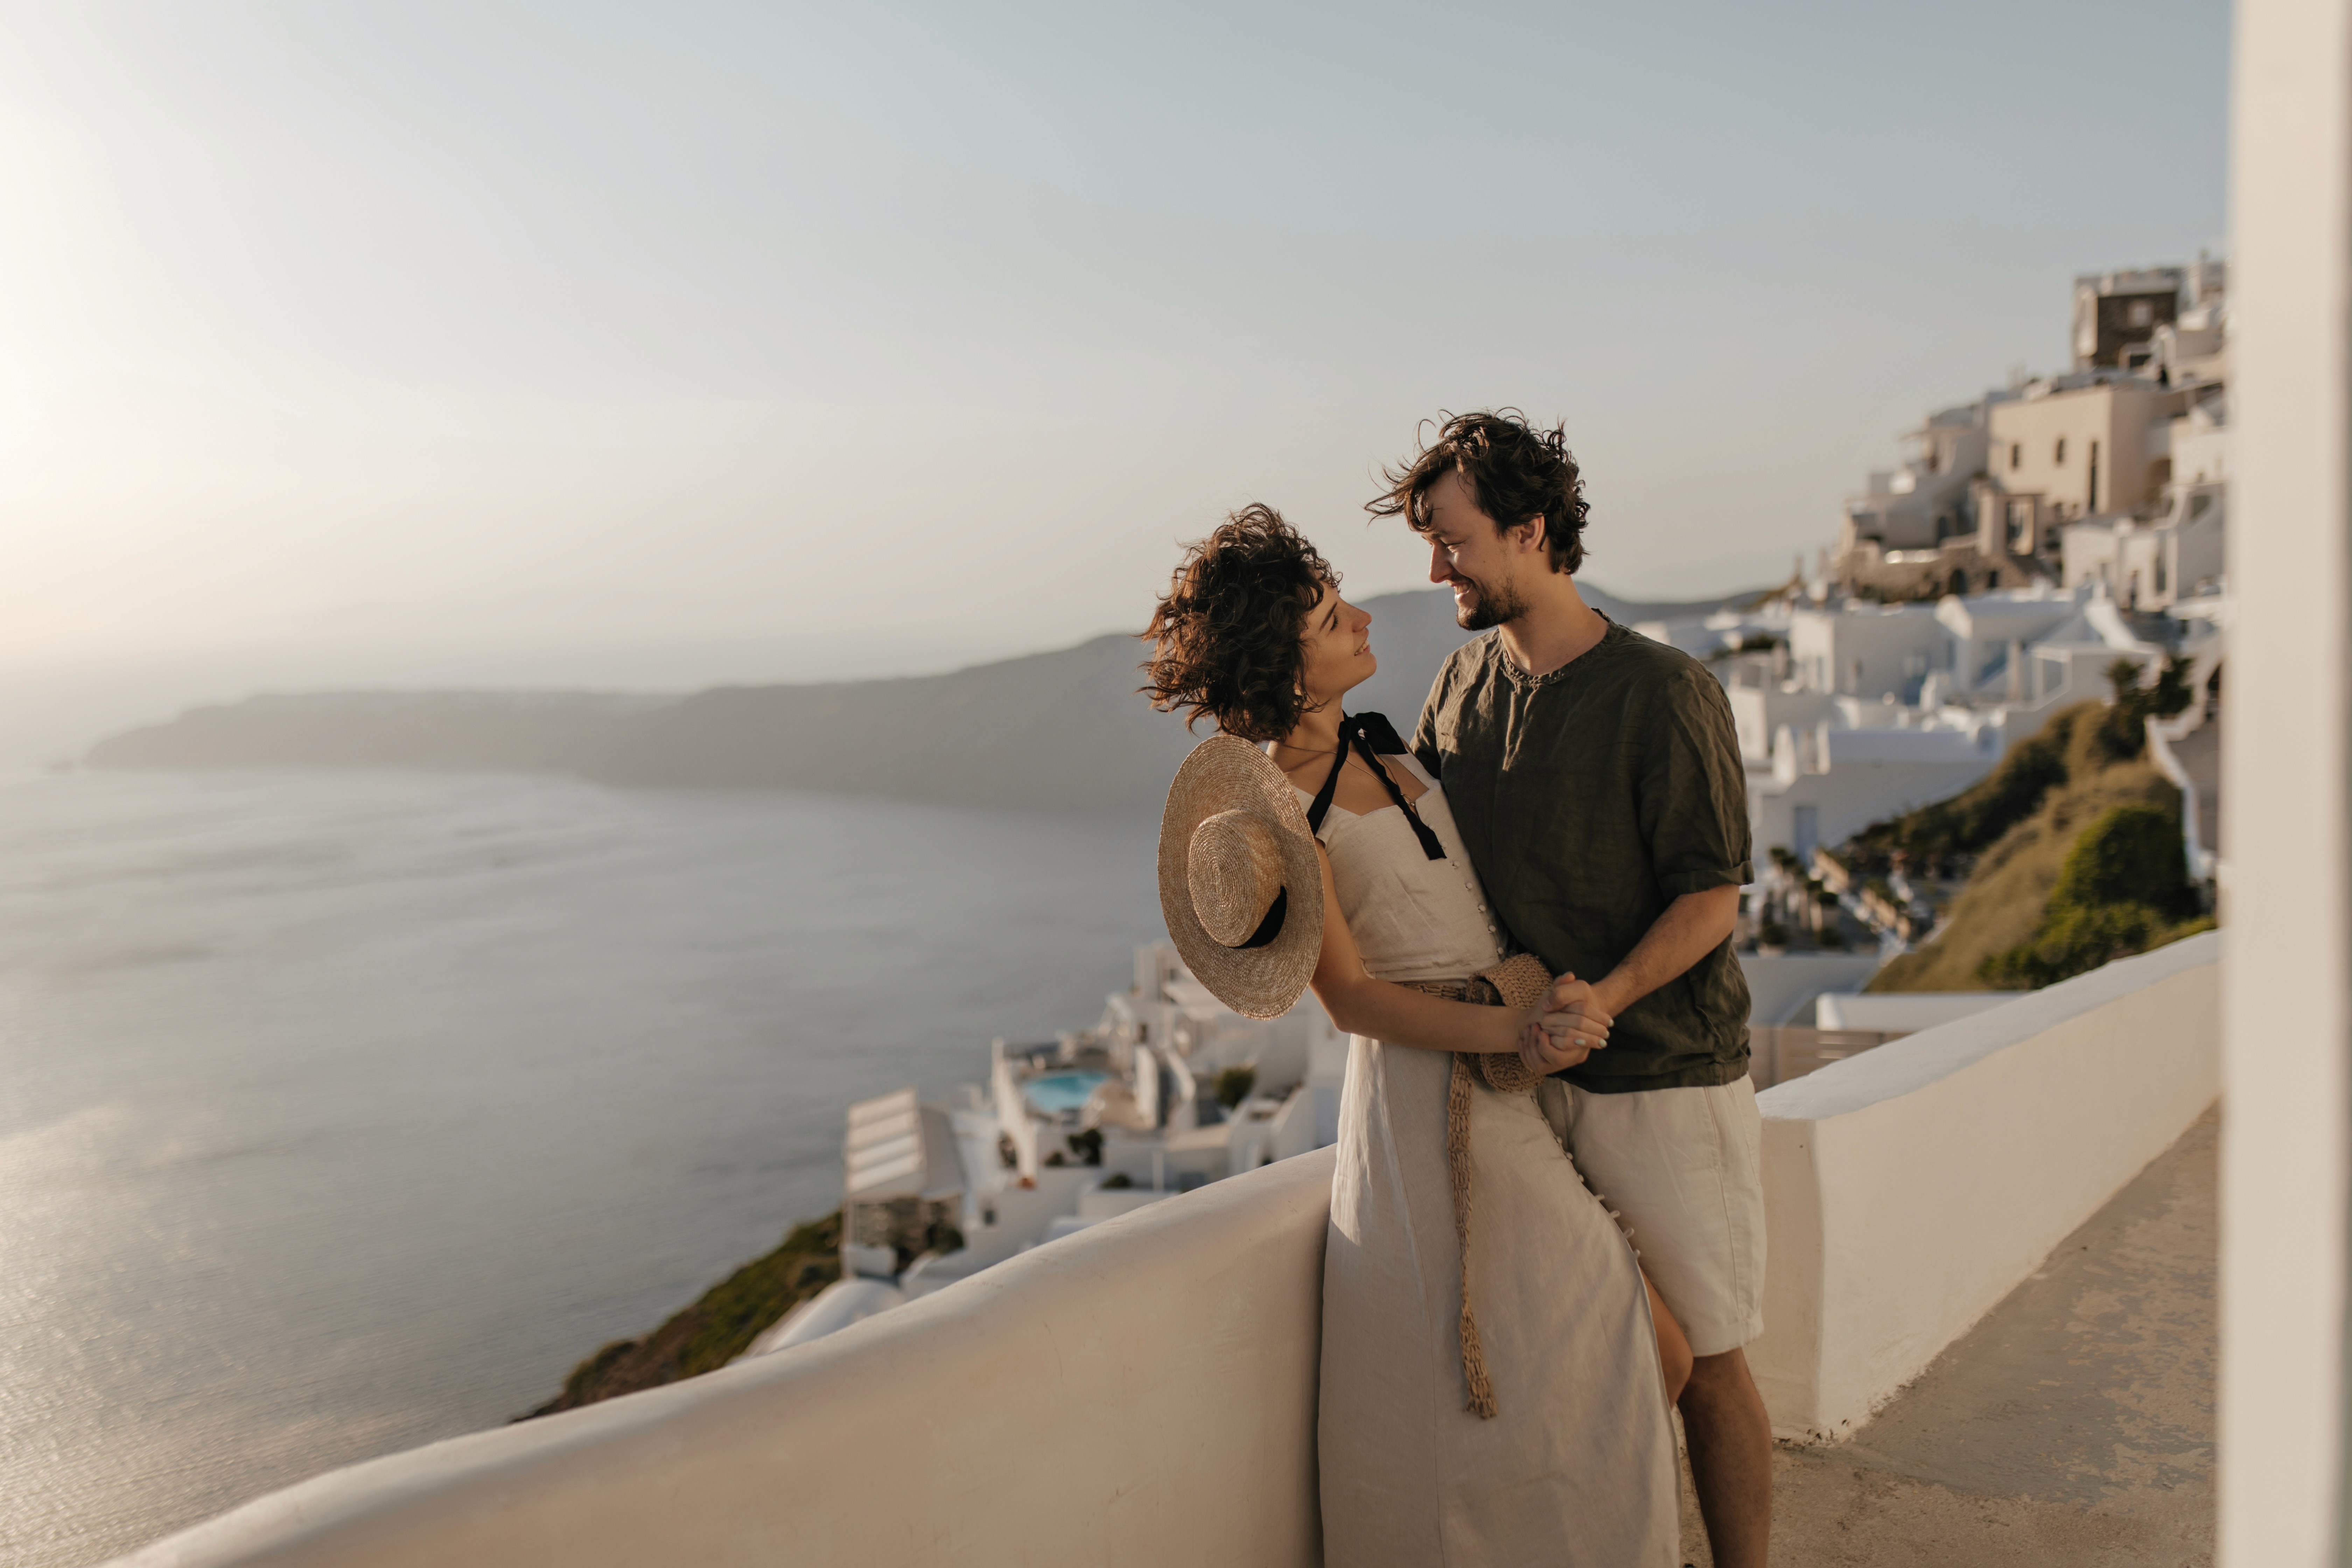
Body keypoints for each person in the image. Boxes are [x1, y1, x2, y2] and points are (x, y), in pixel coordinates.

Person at [1141, 505, 1686, 1567]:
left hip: (1502, 1079)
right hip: (1437, 1112)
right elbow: (1352, 1002)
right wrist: (1521, 1027)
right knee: (1609, 1350)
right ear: (1285, 665)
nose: (1356, 616)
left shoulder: (1381, 744)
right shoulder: (1281, 816)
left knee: (1628, 1349)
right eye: (1326, 616)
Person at [1374, 410, 1772, 1568]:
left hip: (1662, 1076)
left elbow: (1712, 897)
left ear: (1531, 531)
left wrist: (1607, 992)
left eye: (1451, 540)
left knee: (1712, 1360)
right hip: (1518, 1078)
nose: (1434, 566)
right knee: (1596, 1357)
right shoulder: (1458, 684)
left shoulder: (1665, 694)